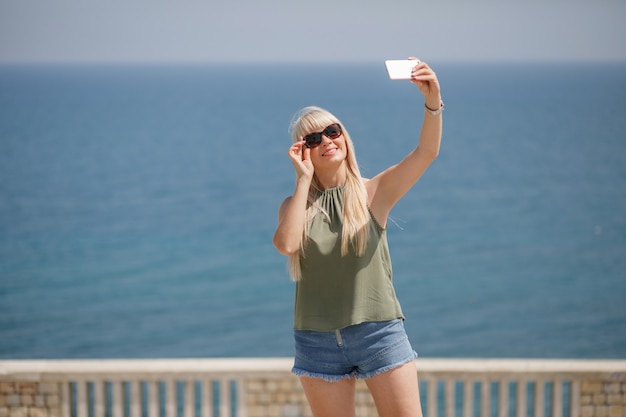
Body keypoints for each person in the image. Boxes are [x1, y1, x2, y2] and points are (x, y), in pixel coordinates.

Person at [272, 58, 443, 417]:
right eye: (313, 139)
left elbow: (426, 153)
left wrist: (433, 102)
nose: (326, 141)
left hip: (378, 333)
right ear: (303, 151)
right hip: (317, 341)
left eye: (332, 131)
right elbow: (287, 245)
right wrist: (303, 180)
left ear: (344, 135)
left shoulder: (373, 192)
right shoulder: (295, 206)